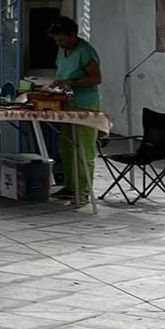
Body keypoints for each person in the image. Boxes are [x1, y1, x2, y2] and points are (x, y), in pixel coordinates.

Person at [48, 16, 102, 202]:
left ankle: (84, 190)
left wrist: (71, 82)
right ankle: (70, 186)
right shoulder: (62, 51)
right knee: (67, 148)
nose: (59, 43)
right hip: (67, 104)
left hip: (85, 105)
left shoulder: (85, 51)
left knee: (84, 149)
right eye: (56, 40)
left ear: (73, 35)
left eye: (62, 39)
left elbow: (96, 78)